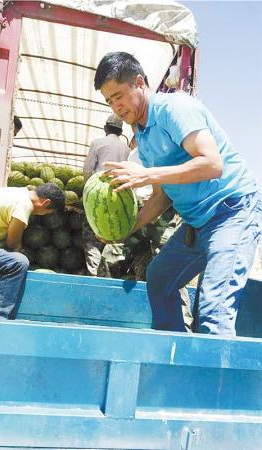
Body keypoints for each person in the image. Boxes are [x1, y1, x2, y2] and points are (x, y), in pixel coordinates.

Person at [94, 51, 262, 336]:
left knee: (213, 310)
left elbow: (212, 163)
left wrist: (146, 174)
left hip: (232, 212)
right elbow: (162, 197)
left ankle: (212, 378)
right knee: (159, 279)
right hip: (197, 223)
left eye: (119, 95)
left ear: (138, 82)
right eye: (109, 100)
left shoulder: (174, 108)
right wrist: (123, 230)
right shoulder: (143, 136)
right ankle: (177, 357)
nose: (116, 106)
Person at [0, 183, 65, 319]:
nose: (45, 215)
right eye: (48, 212)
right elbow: (12, 243)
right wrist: (19, 250)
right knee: (19, 263)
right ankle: (0, 317)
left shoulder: (16, 192)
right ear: (46, 203)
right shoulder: (24, 205)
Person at [82, 114, 130, 276]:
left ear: (105, 128)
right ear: (121, 131)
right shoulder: (127, 149)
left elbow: (88, 170)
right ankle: (109, 275)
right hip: (119, 198)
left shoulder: (97, 143)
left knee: (92, 239)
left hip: (98, 196)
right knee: (113, 237)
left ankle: (94, 275)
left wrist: (88, 193)